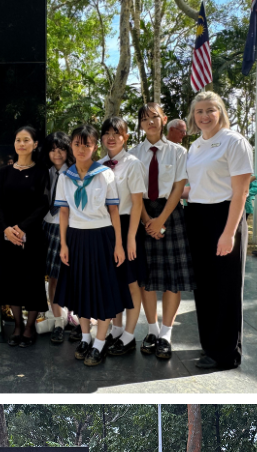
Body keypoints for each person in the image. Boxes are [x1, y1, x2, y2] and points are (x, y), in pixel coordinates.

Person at [184, 90, 254, 370]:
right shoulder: (196, 146)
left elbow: (241, 192)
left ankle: (226, 354)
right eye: (199, 111)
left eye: (210, 110)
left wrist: (229, 233)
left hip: (225, 216)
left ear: (221, 112)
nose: (204, 116)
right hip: (197, 216)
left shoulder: (234, 142)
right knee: (204, 288)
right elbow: (196, 186)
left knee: (225, 288)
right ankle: (210, 347)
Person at [53, 124, 131, 366]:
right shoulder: (65, 177)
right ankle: (85, 337)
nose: (81, 148)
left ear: (95, 147)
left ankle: (100, 342)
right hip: (76, 238)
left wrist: (118, 244)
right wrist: (63, 244)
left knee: (104, 289)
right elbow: (63, 213)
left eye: (86, 144)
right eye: (77, 143)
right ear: (71, 147)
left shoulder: (104, 174)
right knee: (80, 289)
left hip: (101, 237)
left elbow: (114, 211)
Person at [129, 102, 192, 362]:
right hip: (142, 213)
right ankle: (152, 330)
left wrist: (160, 220)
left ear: (163, 119)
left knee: (171, 278)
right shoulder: (133, 154)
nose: (150, 122)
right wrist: (147, 222)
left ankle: (166, 333)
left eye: (154, 117)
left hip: (171, 213)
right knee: (147, 277)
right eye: (145, 119)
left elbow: (178, 189)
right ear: (140, 124)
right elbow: (134, 192)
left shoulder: (179, 152)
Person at [0, 125, 50, 347]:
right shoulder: (4, 172)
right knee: (11, 281)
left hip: (32, 236)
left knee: (32, 282)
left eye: (26, 140)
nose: (21, 144)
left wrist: (23, 228)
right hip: (8, 238)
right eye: (18, 140)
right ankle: (17, 325)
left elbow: (43, 203)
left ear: (35, 144)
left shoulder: (41, 171)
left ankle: (29, 328)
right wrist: (6, 229)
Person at [98, 116, 146, 357]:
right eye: (107, 132)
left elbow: (137, 203)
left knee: (130, 281)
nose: (111, 137)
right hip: (103, 227)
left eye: (117, 133)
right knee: (112, 280)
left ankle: (129, 335)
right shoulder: (98, 163)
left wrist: (130, 238)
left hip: (127, 225)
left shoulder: (133, 163)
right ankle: (116, 330)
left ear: (126, 137)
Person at [38, 132, 78, 344]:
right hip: (48, 226)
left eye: (61, 148)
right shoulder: (45, 173)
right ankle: (58, 320)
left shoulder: (75, 173)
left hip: (70, 229)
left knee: (71, 275)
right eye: (53, 149)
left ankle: (77, 320)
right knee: (53, 276)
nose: (57, 153)